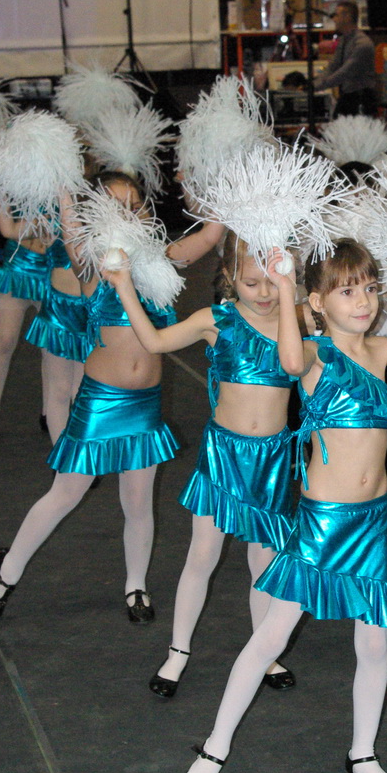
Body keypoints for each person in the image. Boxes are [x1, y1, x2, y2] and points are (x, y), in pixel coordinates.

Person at [174, 238, 387, 773]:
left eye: (369, 288)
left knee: (374, 642)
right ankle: (211, 753)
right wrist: (286, 284)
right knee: (271, 636)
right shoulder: (313, 354)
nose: (363, 301)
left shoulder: (382, 350)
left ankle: (363, 753)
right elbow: (288, 362)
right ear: (318, 302)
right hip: (321, 523)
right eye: (347, 291)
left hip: (372, 523)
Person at [0, 173, 221, 625]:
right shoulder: (92, 264)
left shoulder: (162, 260)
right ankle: (6, 570)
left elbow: (209, 236)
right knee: (67, 491)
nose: (125, 213)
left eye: (133, 204)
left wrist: (221, 193)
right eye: (113, 204)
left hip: (145, 404)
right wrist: (62, 187)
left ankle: (136, 585)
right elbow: (71, 230)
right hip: (100, 400)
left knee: (139, 500)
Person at [104, 231, 301, 697]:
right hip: (224, 456)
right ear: (230, 278)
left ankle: (264, 652)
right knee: (202, 554)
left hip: (272, 460)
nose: (264, 293)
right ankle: (178, 651)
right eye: (251, 283)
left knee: (264, 562)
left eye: (272, 281)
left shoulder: (296, 321)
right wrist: (124, 285)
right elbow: (154, 341)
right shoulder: (216, 320)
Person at [0, 206, 50, 438]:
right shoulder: (13, 191)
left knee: (49, 347)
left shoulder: (65, 192)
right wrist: (40, 223)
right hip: (17, 270)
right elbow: (8, 230)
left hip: (50, 275)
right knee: (5, 339)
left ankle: (49, 408)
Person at [23, 229, 87, 444]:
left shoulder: (106, 218)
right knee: (59, 388)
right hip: (58, 313)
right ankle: (60, 454)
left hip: (92, 312)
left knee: (83, 390)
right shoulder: (52, 219)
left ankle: (79, 450)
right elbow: (14, 233)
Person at [313, 0, 378, 118]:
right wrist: (314, 83)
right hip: (348, 96)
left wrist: (317, 86)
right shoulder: (344, 40)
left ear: (347, 17)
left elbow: (345, 72)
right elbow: (333, 66)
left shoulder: (363, 44)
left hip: (361, 99)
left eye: (337, 15)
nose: (334, 19)